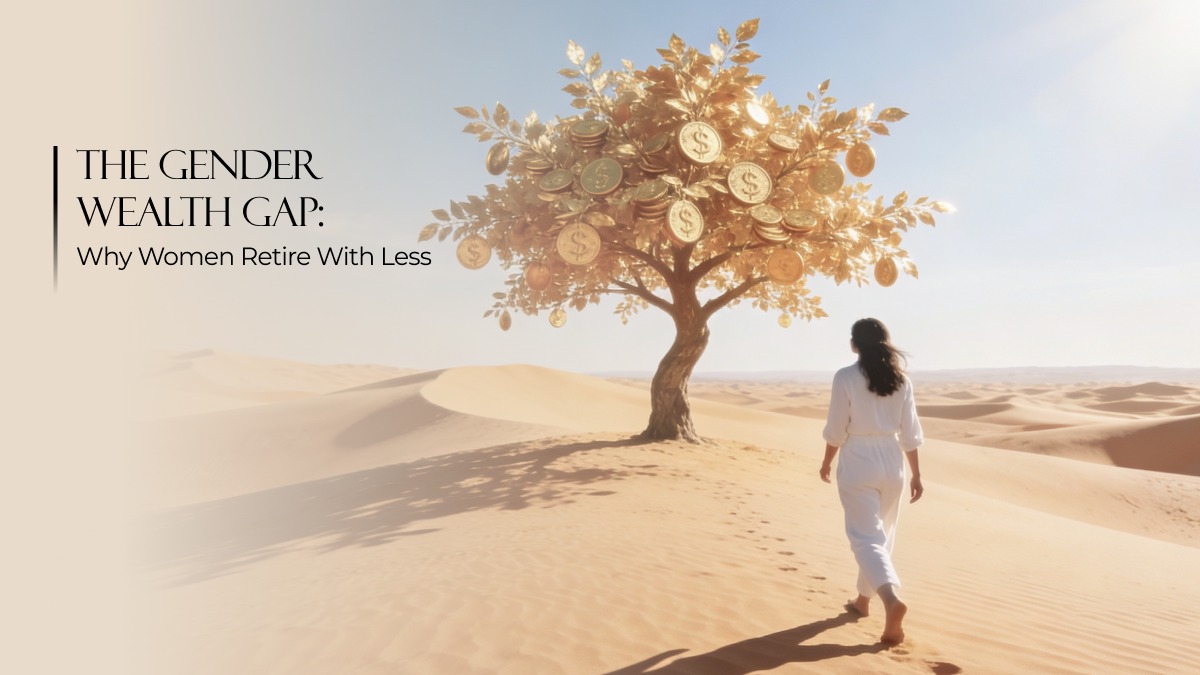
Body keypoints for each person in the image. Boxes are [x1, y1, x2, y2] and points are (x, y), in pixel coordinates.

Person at [819, 317, 924, 645]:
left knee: (866, 539)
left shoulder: (845, 377)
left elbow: (837, 428)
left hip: (858, 459)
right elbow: (910, 433)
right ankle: (863, 600)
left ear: (855, 344)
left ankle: (890, 601)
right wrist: (916, 474)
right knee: (882, 536)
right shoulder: (901, 380)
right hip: (892, 462)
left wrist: (827, 461)